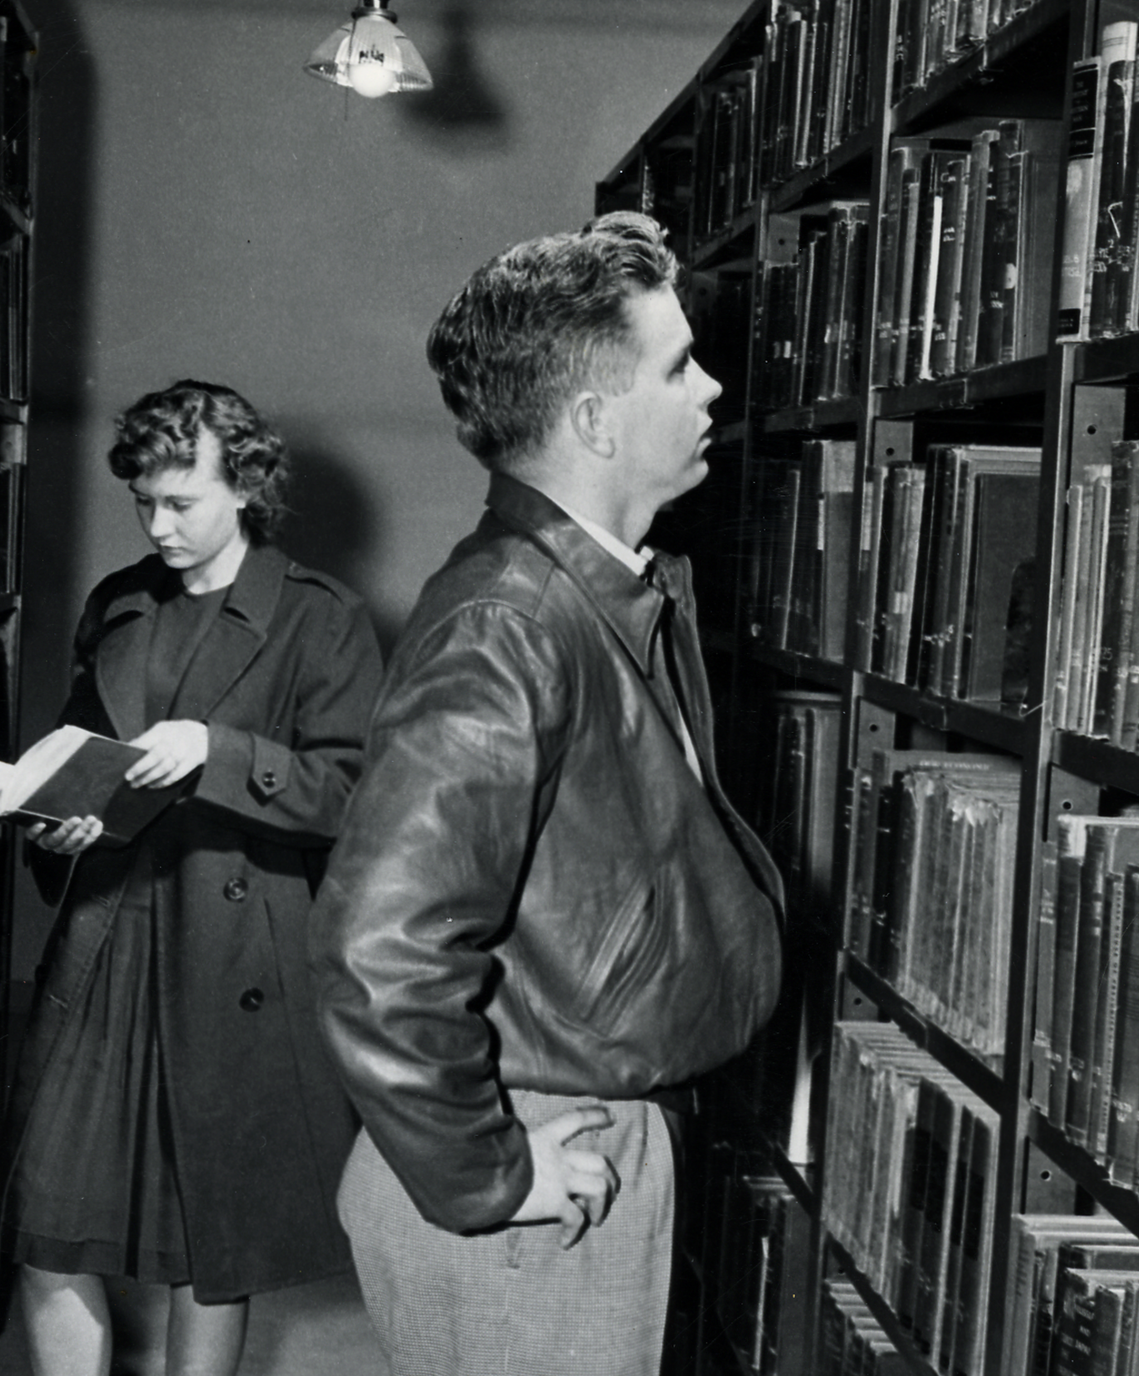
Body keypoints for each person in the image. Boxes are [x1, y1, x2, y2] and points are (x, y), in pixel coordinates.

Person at [310, 212, 786, 1376]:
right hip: (538, 1162)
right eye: (677, 365)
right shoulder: (510, 621)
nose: (712, 386)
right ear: (592, 418)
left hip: (571, 1129)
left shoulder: (591, 594)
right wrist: (493, 1172)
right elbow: (377, 948)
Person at [7, 379, 383, 1376]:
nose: (159, 526)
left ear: (247, 488)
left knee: (202, 1246)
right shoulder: (119, 603)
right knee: (45, 1227)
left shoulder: (322, 620)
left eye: (183, 502)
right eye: (145, 502)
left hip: (230, 955)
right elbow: (75, 749)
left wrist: (216, 751)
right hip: (105, 940)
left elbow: (353, 795)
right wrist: (58, 819)